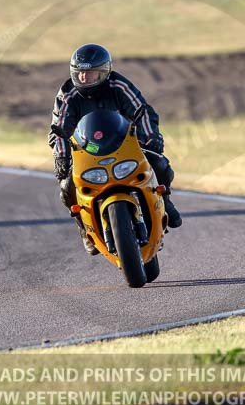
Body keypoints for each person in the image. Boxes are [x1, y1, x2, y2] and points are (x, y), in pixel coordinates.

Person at [48, 43, 182, 255]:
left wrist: (152, 138)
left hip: (124, 142)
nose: (84, 79)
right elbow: (59, 130)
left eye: (90, 74)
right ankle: (85, 231)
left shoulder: (119, 86)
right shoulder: (67, 95)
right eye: (80, 74)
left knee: (159, 163)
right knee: (66, 188)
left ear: (104, 73)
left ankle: (165, 201)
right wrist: (62, 158)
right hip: (87, 148)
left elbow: (142, 111)